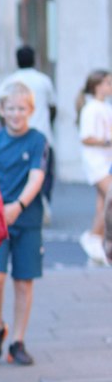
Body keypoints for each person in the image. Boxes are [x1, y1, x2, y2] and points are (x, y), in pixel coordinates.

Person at [0, 82, 48, 365]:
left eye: (21, 108)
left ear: (30, 110)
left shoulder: (37, 140)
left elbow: (37, 176)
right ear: (1, 110)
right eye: (11, 108)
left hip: (27, 219)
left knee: (23, 281)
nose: (16, 114)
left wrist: (18, 206)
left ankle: (17, 341)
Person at [0, 46, 56, 203]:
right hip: (43, 130)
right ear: (34, 60)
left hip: (17, 137)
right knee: (44, 172)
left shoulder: (9, 81)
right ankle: (42, 202)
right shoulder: (43, 80)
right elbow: (53, 107)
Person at [76, 69, 112, 264]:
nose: (110, 86)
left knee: (104, 204)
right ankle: (93, 238)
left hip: (106, 162)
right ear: (97, 86)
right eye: (107, 83)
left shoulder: (104, 106)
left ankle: (96, 242)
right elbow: (86, 137)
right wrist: (107, 141)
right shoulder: (91, 109)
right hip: (97, 162)